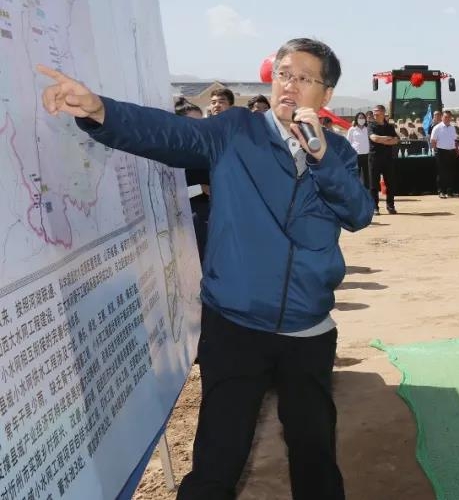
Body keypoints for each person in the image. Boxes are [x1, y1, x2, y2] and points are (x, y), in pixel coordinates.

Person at [37, 38, 372, 499]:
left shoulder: (338, 153)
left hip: (307, 328)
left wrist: (321, 158)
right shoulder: (236, 131)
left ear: (326, 93)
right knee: (218, 459)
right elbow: (170, 134)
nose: (289, 86)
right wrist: (100, 110)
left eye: (304, 78)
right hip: (235, 325)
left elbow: (358, 213)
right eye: (283, 74)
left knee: (314, 454)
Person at [175, 99, 211, 262]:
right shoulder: (168, 152)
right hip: (184, 223)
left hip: (208, 220)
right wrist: (200, 188)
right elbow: (168, 192)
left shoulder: (206, 150)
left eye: (200, 123)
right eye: (192, 123)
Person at [368, 104, 399, 215]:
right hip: (375, 158)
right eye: (374, 111)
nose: (374, 113)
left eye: (377, 111)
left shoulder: (389, 127)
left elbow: (396, 140)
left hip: (388, 158)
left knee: (390, 183)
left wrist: (382, 140)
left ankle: (390, 206)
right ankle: (375, 207)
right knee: (373, 185)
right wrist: (387, 139)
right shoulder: (371, 126)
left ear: (383, 112)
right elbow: (374, 138)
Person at [429, 110, 459, 199]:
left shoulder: (452, 128)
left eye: (449, 117)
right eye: (445, 117)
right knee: (441, 173)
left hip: (451, 151)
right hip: (441, 152)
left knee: (451, 172)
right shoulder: (437, 127)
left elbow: (454, 140)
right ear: (442, 117)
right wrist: (436, 151)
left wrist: (456, 150)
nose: (447, 119)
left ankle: (450, 192)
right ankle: (441, 191)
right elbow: (433, 141)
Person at [347, 112, 370, 188]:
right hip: (356, 155)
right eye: (360, 118)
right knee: (356, 174)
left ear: (365, 119)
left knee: (367, 174)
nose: (361, 119)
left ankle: (367, 191)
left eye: (363, 118)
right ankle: (356, 190)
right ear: (356, 119)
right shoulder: (352, 129)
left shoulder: (368, 129)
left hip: (367, 155)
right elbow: (348, 142)